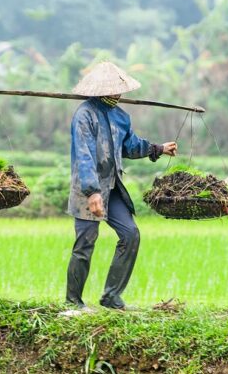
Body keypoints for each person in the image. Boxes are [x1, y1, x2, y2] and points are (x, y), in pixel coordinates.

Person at [66, 61, 177, 311]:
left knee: (130, 234)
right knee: (85, 244)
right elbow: (83, 155)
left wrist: (157, 148)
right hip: (88, 188)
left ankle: (111, 296)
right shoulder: (84, 115)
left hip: (113, 186)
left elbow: (130, 146)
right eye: (113, 90)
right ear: (100, 90)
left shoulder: (120, 117)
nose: (118, 94)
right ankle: (73, 301)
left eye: (120, 90)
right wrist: (92, 192)